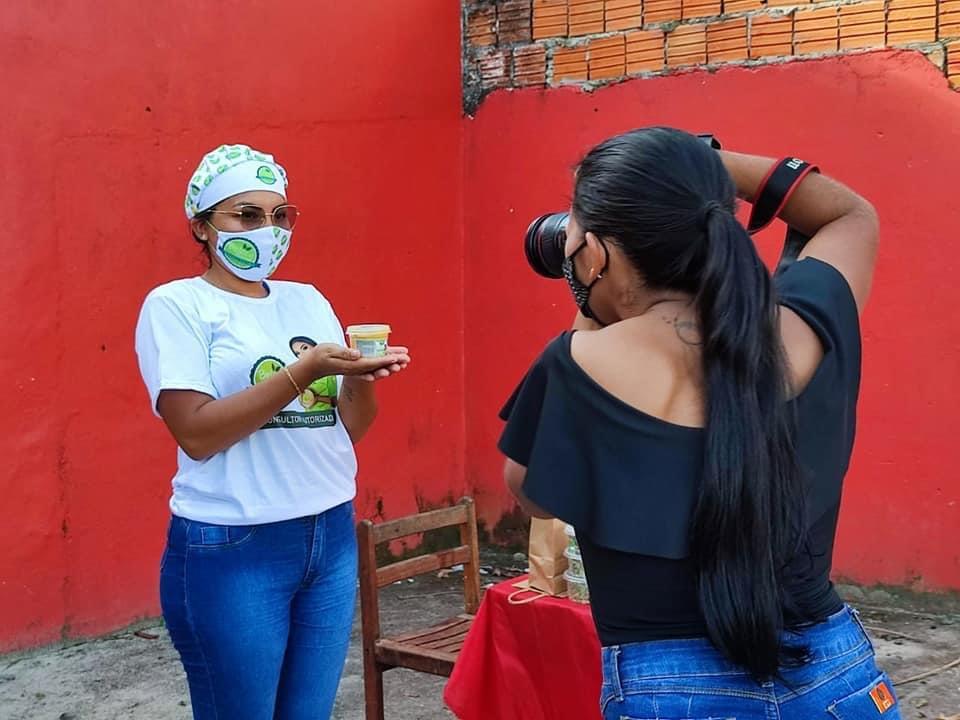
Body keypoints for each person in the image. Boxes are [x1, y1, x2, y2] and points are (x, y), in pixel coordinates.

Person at [500, 127, 899, 719]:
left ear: (599, 252)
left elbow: (531, 492)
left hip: (673, 693)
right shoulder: (805, 322)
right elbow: (849, 213)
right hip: (834, 674)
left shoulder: (575, 367)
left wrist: (589, 305)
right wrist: (704, 165)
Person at [134, 143, 410, 720]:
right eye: (247, 215)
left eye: (280, 215)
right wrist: (304, 370)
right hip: (235, 543)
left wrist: (363, 377)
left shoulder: (305, 300)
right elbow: (197, 434)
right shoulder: (177, 306)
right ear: (202, 226)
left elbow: (346, 428)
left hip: (329, 532)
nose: (268, 230)